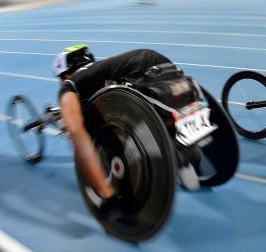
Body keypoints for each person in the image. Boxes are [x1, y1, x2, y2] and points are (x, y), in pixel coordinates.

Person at [53, 45, 186, 215]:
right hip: (159, 61)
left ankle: (112, 197)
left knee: (89, 131)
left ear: (65, 75)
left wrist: (106, 194)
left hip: (140, 73)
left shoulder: (70, 84)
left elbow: (75, 130)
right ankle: (180, 149)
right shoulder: (101, 69)